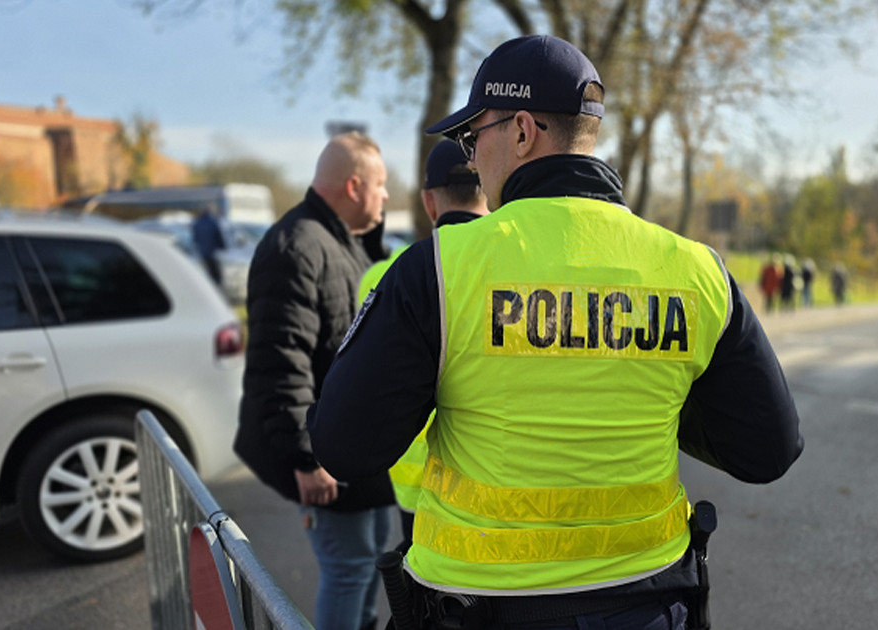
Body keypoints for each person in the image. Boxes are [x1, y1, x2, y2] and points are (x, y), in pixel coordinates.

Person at [308, 35, 801, 630]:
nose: (472, 160)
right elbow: (768, 449)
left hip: (479, 609)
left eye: (472, 137)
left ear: (522, 131)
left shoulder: (440, 267)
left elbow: (344, 447)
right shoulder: (696, 270)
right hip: (648, 605)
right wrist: (656, 393)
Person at [236, 132, 394, 630]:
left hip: (352, 453)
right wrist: (306, 457)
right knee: (349, 569)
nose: (387, 195)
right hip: (325, 456)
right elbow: (280, 364)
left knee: (367, 561)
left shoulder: (343, 242)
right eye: (381, 185)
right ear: (354, 186)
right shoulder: (297, 247)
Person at [355, 139, 488, 548]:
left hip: (413, 487)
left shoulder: (384, 275)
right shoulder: (511, 271)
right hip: (494, 486)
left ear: (429, 202)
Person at [192, 204, 227, 286]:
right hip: (212, 251)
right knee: (215, 273)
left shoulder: (198, 222)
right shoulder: (212, 222)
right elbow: (218, 235)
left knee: (207, 271)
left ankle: (209, 285)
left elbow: (195, 238)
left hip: (202, 251)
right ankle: (216, 286)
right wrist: (222, 246)